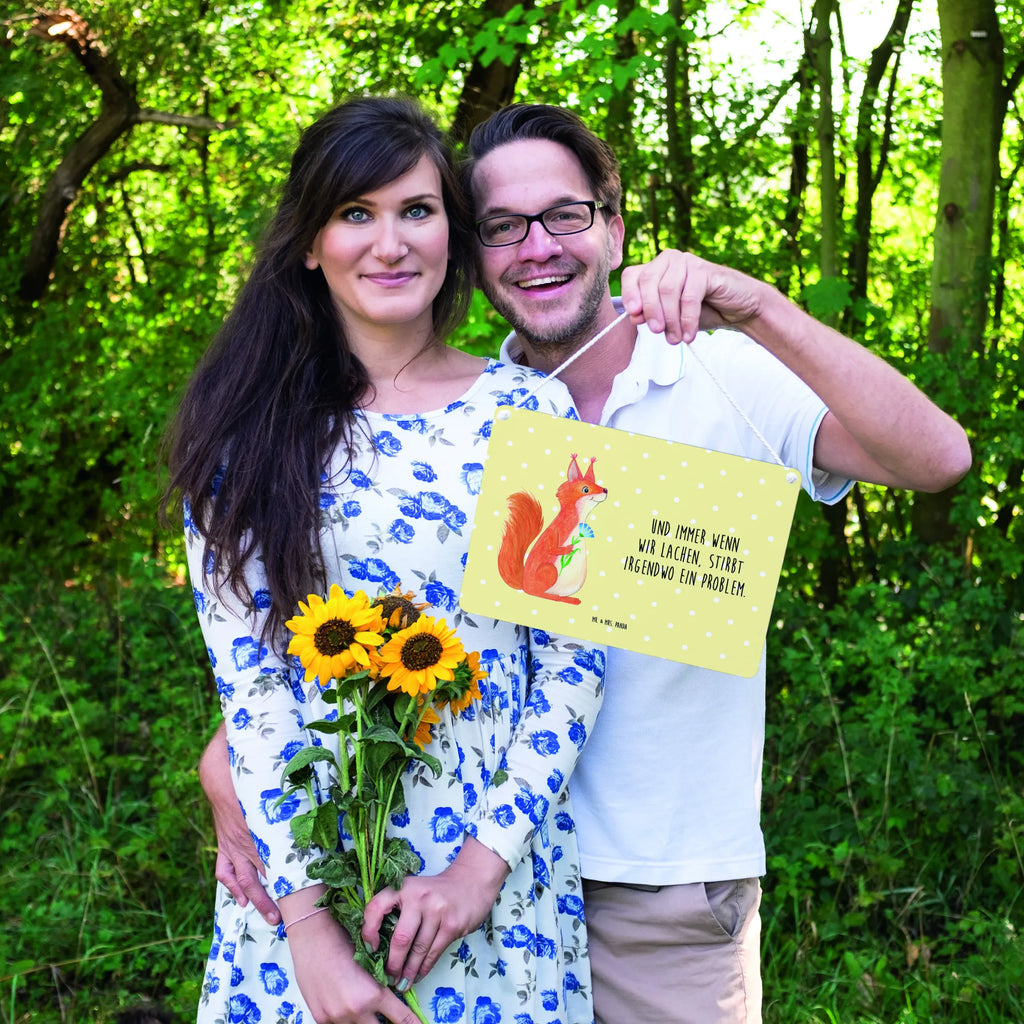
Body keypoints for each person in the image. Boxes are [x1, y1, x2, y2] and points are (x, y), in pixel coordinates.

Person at [202, 102, 972, 1024]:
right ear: (474, 251)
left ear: (612, 226)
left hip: (653, 887)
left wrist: (760, 306)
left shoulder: (708, 373)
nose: (537, 247)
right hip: (427, 877)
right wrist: (235, 771)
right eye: (502, 226)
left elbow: (938, 461)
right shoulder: (456, 417)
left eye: (565, 215)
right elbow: (330, 634)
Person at [165, 96, 614, 1024]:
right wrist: (311, 935)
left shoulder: (532, 412)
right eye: (355, 214)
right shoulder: (241, 436)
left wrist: (477, 873)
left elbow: (574, 665)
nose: (390, 242)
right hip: (304, 883)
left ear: (452, 228)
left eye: (416, 210)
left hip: (493, 888)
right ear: (308, 242)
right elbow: (251, 692)